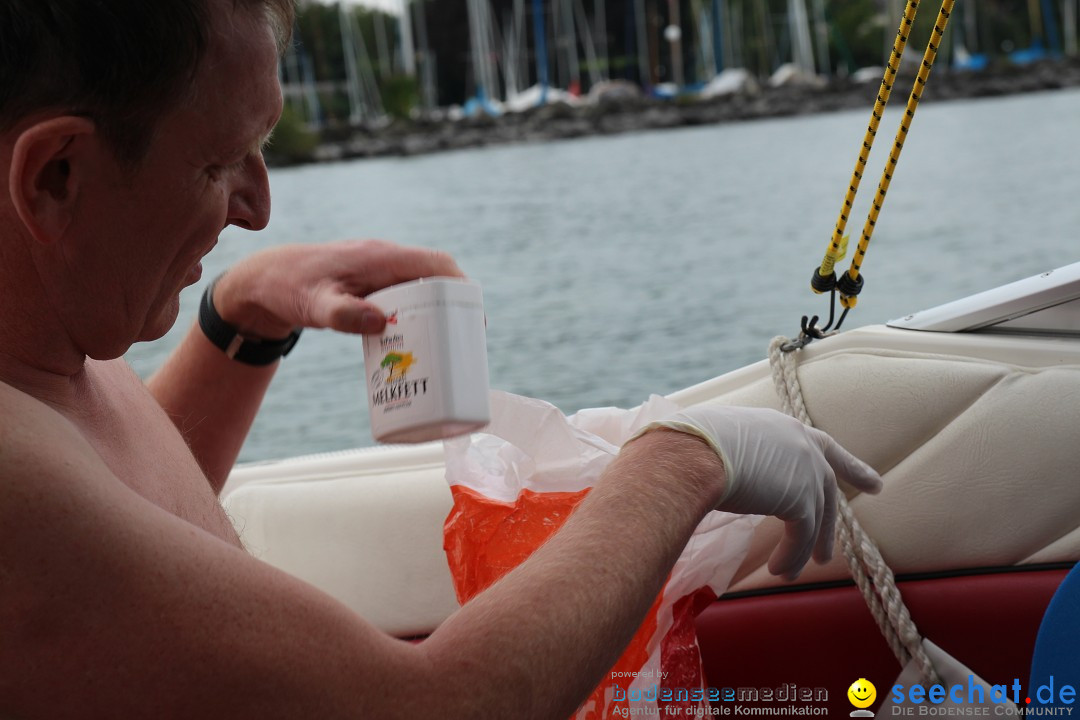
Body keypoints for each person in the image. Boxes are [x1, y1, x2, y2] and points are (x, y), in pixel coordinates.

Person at [0, 1, 882, 717]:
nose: (259, 209)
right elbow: (437, 707)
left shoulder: (45, 349)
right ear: (55, 176)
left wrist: (242, 320)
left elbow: (122, 524)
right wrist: (681, 462)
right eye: (221, 161)